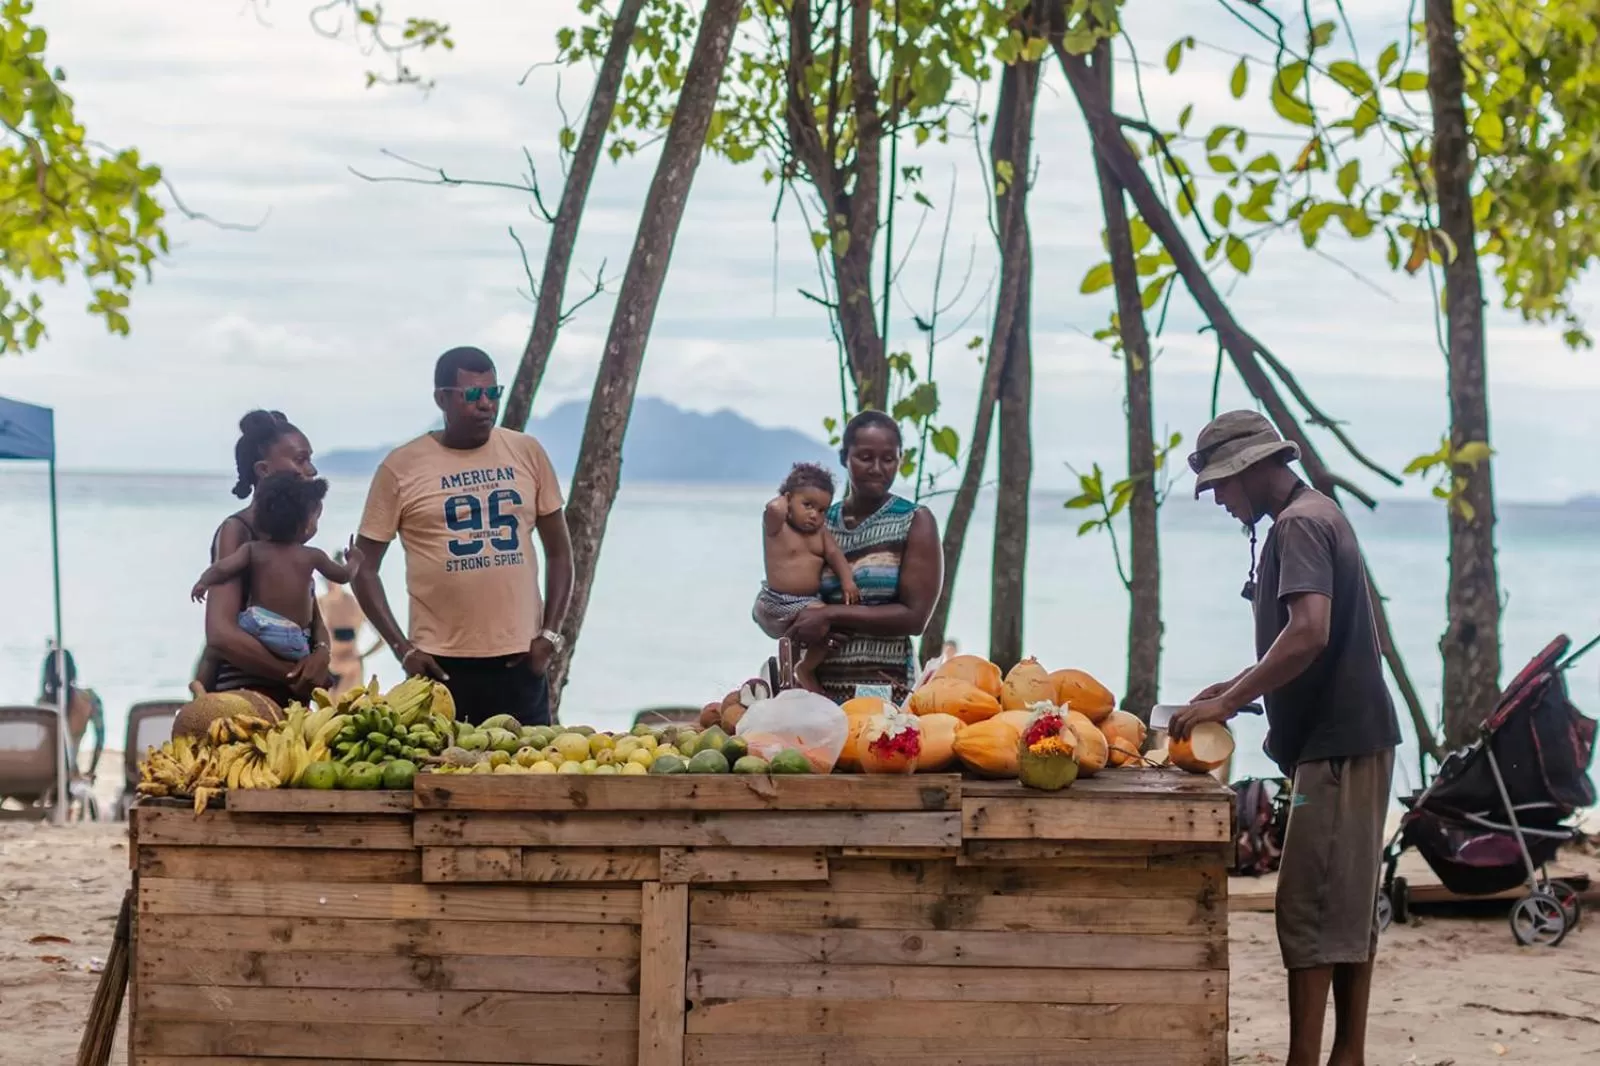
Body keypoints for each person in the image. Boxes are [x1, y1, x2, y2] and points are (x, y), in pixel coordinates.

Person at [1169, 410, 1400, 1066]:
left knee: (1308, 906)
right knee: (1347, 903)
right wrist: (1233, 686)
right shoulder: (1316, 512)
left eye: (1219, 486)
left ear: (1248, 470)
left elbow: (1309, 632)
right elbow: (1295, 643)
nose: (1218, 499)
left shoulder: (1298, 524)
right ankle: (1345, 1054)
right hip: (1354, 737)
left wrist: (1237, 697)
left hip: (1337, 744)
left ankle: (1310, 1059)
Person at [352, 346, 574, 727]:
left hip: (520, 661)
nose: (486, 404)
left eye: (493, 392)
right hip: (440, 666)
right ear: (442, 398)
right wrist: (402, 649)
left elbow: (559, 553)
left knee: (527, 776)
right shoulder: (401, 468)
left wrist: (549, 638)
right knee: (443, 778)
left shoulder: (527, 453)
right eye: (473, 394)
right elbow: (362, 568)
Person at [784, 411, 943, 705]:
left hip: (885, 690)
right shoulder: (819, 523)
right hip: (815, 690)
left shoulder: (914, 521)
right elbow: (786, 591)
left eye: (888, 458)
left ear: (900, 459)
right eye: (865, 457)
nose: (877, 468)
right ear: (845, 457)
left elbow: (914, 617)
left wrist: (831, 615)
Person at [197, 411, 333, 705]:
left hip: (290, 700)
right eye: (300, 460)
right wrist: (295, 676)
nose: (311, 470)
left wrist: (322, 650)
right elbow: (220, 634)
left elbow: (309, 612)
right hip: (243, 702)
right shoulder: (237, 532)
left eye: (309, 459)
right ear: (263, 469)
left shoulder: (291, 535)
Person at [191, 474, 362, 661]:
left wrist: (203, 582)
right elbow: (343, 576)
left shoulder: (252, 550)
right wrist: (354, 561)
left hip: (254, 626)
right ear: (305, 524)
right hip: (291, 638)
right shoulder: (312, 555)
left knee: (215, 648)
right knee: (311, 665)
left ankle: (203, 685)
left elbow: (222, 569)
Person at [753, 462, 860, 692]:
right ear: (789, 499)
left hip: (805, 602)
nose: (814, 515)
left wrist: (847, 580)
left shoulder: (821, 534)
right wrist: (785, 499)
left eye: (822, 510)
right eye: (807, 505)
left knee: (823, 623)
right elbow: (773, 509)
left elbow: (835, 555)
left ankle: (803, 668)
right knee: (807, 625)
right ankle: (787, 671)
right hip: (775, 599)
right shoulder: (777, 527)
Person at [319, 552, 383, 696]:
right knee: (326, 714)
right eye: (327, 578)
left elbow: (382, 639)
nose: (329, 582)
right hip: (327, 667)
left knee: (349, 712)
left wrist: (363, 656)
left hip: (350, 668)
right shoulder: (319, 603)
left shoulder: (355, 605)